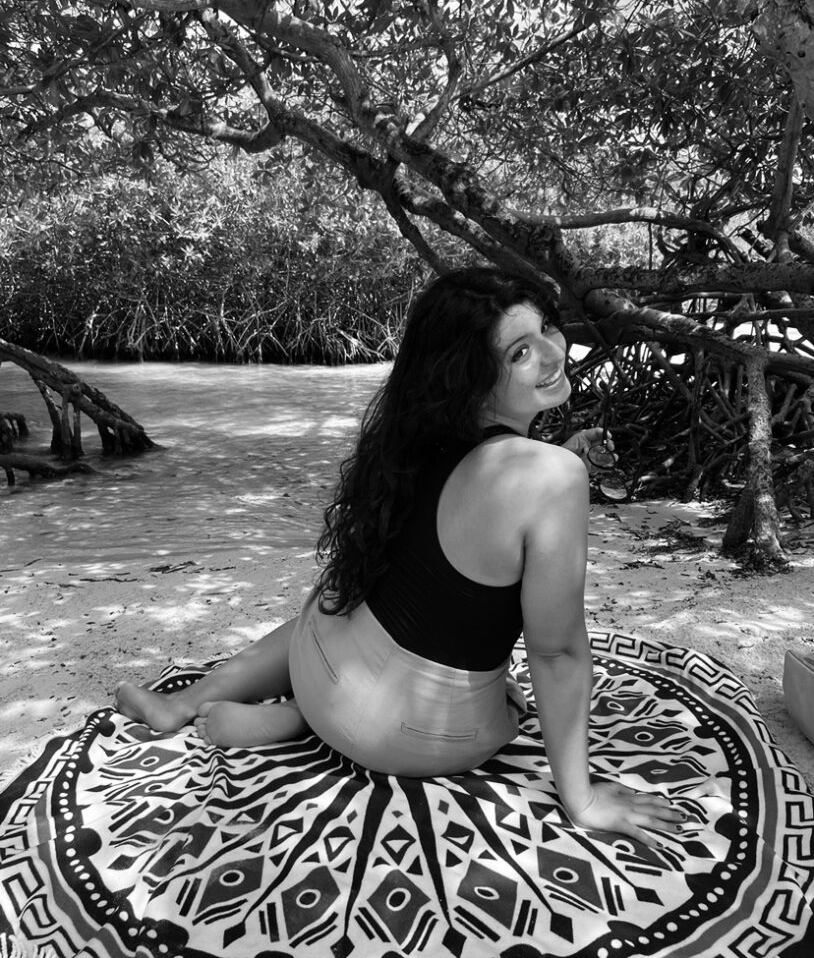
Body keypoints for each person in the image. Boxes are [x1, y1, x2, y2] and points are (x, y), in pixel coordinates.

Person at [116, 266, 684, 847]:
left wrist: (562, 457)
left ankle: (193, 705)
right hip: (425, 738)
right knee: (508, 697)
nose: (552, 351)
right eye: (519, 352)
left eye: (546, 328)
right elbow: (556, 651)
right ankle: (300, 721)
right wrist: (582, 798)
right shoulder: (550, 476)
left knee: (337, 598)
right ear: (470, 375)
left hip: (325, 671)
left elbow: (479, 512)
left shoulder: (417, 439)